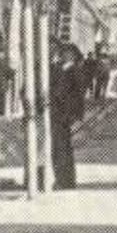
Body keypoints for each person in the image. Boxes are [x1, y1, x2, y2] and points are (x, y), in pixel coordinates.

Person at [50, 43, 84, 189]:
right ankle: (64, 180)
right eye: (63, 52)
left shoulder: (74, 70)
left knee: (61, 149)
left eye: (67, 53)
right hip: (59, 113)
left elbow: (77, 95)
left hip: (64, 114)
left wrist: (75, 116)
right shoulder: (61, 68)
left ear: (73, 55)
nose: (64, 55)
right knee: (60, 149)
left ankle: (64, 181)